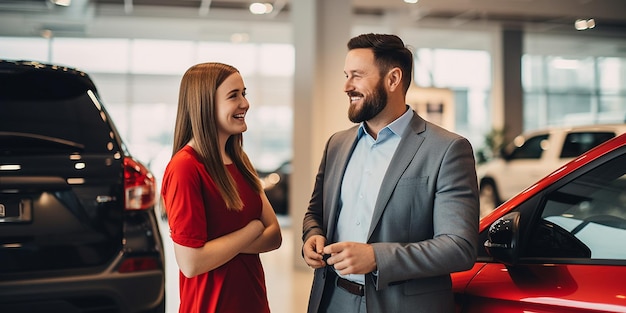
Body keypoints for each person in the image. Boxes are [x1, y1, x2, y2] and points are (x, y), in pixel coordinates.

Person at [302, 33, 479, 313]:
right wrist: (312, 236)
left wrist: (377, 258)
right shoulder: (337, 144)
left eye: (357, 76)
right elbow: (315, 213)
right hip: (332, 300)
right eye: (346, 75)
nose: (346, 86)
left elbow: (459, 247)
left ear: (393, 79)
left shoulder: (447, 149)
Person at [161, 62, 282, 313]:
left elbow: (275, 236)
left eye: (244, 93)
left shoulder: (240, 161)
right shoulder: (185, 167)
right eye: (233, 95)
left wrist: (216, 248)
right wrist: (252, 229)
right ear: (205, 105)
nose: (245, 103)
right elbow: (191, 262)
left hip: (254, 304)